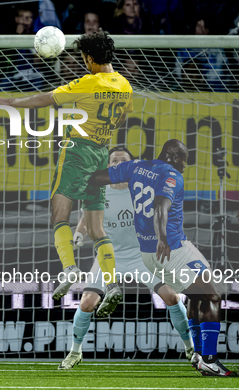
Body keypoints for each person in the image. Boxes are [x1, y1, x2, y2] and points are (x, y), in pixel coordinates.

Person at [0, 29, 133, 317]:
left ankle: (69, 269)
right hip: (101, 152)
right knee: (96, 228)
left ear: (91, 58)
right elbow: (124, 117)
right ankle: (113, 282)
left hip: (77, 151)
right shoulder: (124, 85)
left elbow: (46, 99)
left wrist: (12, 103)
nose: (83, 63)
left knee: (59, 215)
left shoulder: (87, 82)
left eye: (84, 57)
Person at [88, 139, 235, 376]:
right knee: (213, 295)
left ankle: (198, 354)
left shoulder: (134, 167)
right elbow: (160, 208)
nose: (186, 166)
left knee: (197, 293)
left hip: (167, 247)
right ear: (175, 157)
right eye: (185, 159)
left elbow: (95, 179)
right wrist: (162, 238)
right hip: (168, 249)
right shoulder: (171, 176)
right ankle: (209, 359)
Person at [59, 147, 194, 370]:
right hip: (109, 257)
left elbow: (162, 212)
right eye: (113, 160)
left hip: (141, 256)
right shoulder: (99, 192)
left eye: (123, 160)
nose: (117, 163)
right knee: (86, 303)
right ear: (108, 165)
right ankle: (75, 352)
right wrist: (79, 234)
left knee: (171, 298)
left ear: (131, 166)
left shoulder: (141, 189)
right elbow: (86, 217)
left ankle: (190, 348)